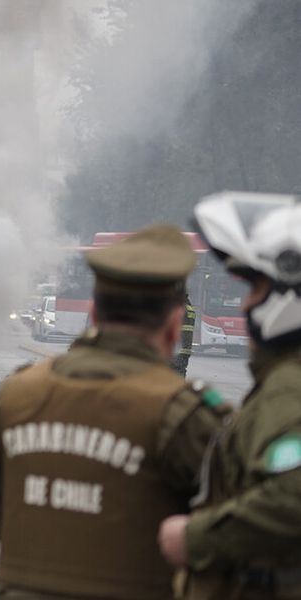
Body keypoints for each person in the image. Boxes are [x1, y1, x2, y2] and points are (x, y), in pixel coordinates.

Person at [0, 225, 230, 600]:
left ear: (93, 311)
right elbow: (228, 532)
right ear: (173, 327)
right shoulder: (188, 416)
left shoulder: (17, 395)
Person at [158, 193, 301, 599]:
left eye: (255, 288)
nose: (247, 303)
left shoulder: (288, 392)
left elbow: (293, 495)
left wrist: (194, 538)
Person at [171, 293, 195, 377]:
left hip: (176, 348)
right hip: (185, 348)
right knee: (180, 370)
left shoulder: (179, 308)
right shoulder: (189, 307)